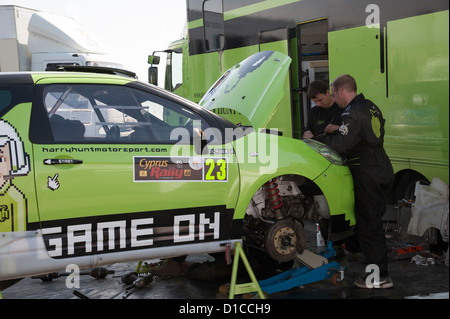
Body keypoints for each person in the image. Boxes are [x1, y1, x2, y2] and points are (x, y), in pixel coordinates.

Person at [315, 74, 394, 288]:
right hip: (380, 167)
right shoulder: (370, 106)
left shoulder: (352, 112)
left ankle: (378, 277)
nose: (335, 100)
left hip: (366, 172)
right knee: (372, 224)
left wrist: (318, 142)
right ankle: (378, 273)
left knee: (369, 228)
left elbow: (343, 142)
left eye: (334, 95)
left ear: (342, 91)